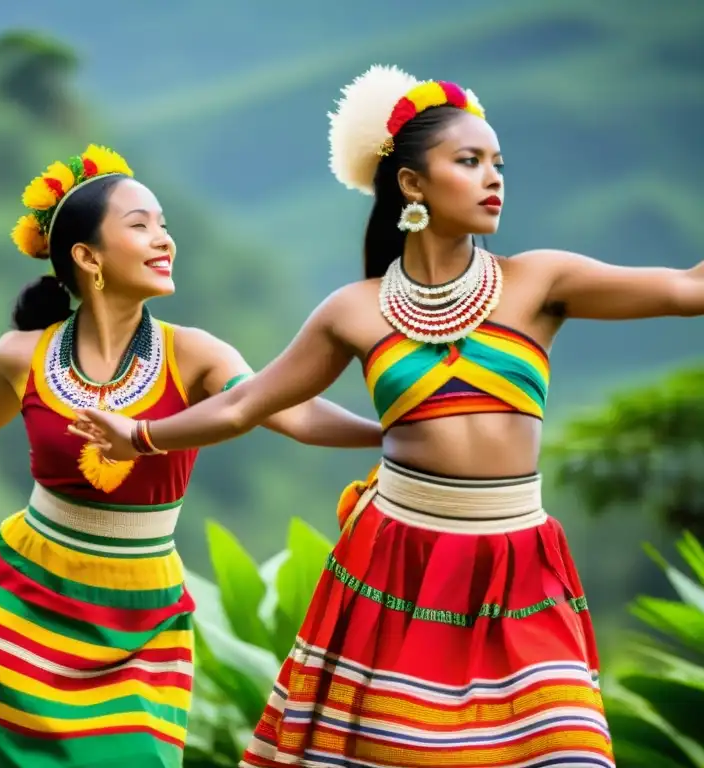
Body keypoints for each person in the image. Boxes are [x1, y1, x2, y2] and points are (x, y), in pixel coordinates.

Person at [63, 64, 693, 767]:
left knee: (566, 753)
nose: (494, 178)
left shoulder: (540, 280)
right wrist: (142, 434)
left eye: (498, 164)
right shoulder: (355, 310)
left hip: (520, 561)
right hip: (403, 561)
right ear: (412, 185)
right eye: (470, 161)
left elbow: (681, 287)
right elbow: (248, 401)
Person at [0, 143, 383, 767]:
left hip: (141, 618)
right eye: (141, 226)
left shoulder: (195, 354)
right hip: (25, 602)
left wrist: (389, 433)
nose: (164, 240)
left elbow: (286, 410)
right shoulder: (22, 353)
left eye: (164, 226)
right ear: (87, 257)